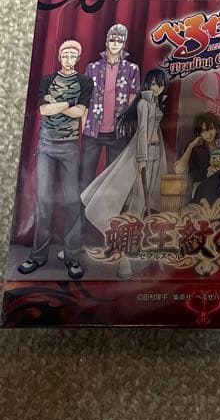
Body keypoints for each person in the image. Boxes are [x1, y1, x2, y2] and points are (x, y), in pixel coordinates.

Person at [18, 40, 93, 280]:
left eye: (73, 54)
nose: (69, 58)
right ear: (59, 57)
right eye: (65, 54)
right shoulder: (47, 80)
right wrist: (68, 103)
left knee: (72, 201)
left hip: (70, 147)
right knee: (43, 201)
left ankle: (72, 258)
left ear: (78, 58)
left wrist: (59, 103)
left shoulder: (85, 82)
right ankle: (38, 256)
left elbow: (80, 112)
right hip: (46, 146)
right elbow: (43, 111)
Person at [81, 69, 169, 238]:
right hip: (144, 152)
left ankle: (136, 233)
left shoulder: (155, 103)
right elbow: (143, 131)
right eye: (153, 84)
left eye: (160, 85)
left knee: (148, 194)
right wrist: (142, 158)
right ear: (147, 84)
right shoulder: (144, 104)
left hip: (155, 152)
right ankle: (131, 234)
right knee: (139, 196)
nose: (157, 88)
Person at [81, 24, 140, 188]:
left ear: (124, 43)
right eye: (112, 40)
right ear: (106, 41)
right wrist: (83, 126)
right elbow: (84, 99)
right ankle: (82, 206)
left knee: (113, 180)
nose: (115, 44)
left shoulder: (132, 69)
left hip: (117, 131)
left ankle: (107, 207)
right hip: (92, 130)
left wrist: (128, 126)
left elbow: (133, 100)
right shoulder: (92, 68)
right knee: (85, 178)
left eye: (119, 41)